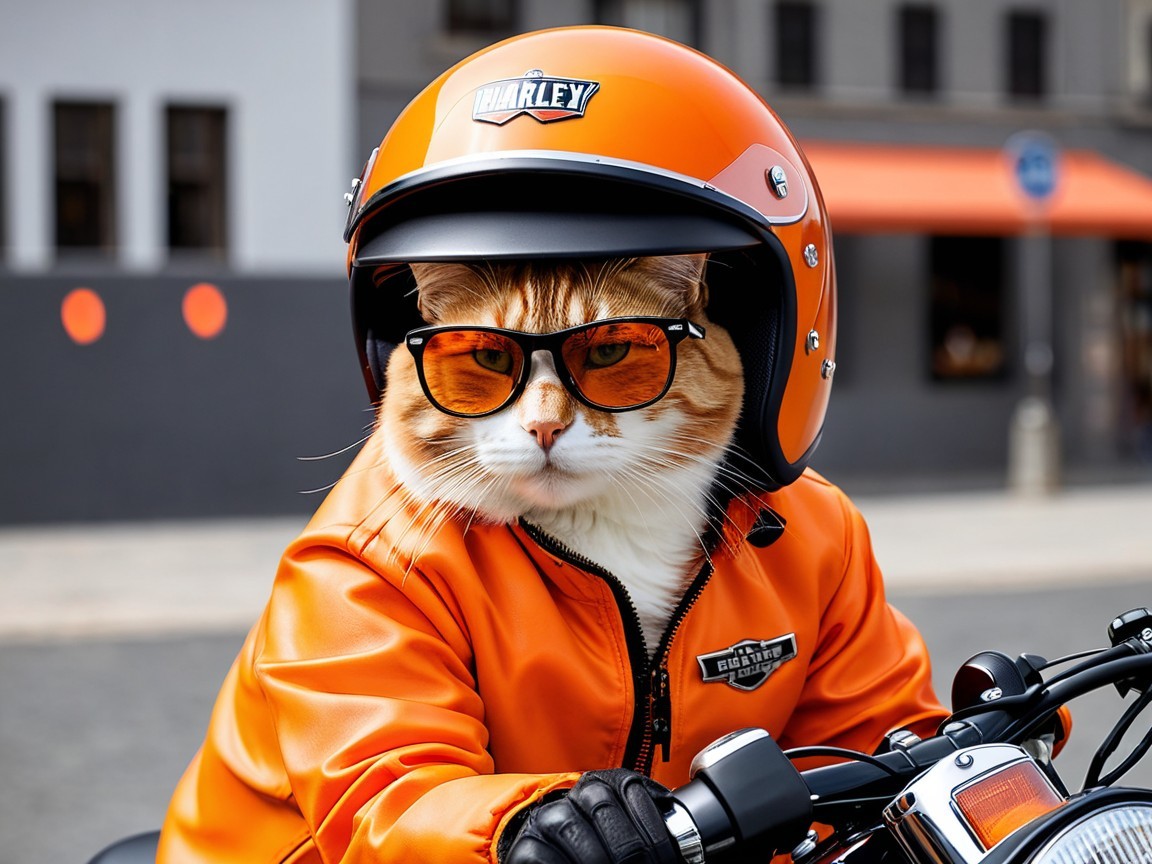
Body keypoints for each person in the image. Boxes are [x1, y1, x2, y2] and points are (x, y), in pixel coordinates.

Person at [159, 25, 944, 864]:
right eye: (479, 357)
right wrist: (527, 825)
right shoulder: (366, 567)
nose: (543, 418)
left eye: (614, 352)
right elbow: (390, 799)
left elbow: (879, 751)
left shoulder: (812, 540)